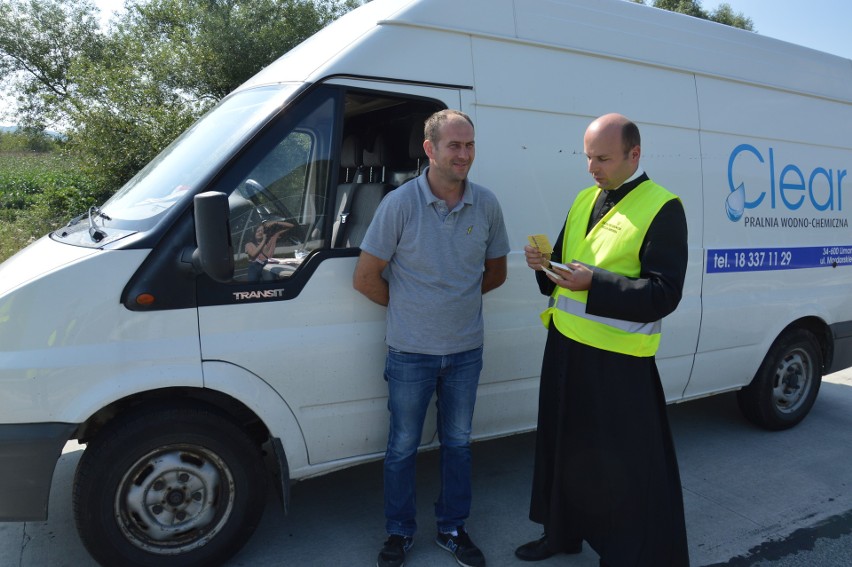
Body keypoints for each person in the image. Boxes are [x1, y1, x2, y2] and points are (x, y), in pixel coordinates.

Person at [515, 113, 690, 566]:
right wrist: (545, 263)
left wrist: (596, 284)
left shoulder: (664, 206)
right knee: (563, 451)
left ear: (635, 154)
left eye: (603, 158)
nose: (593, 168)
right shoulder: (583, 198)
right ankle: (560, 534)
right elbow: (568, 266)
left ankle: (622, 552)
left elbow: (664, 293)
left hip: (618, 363)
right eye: (588, 157)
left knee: (620, 470)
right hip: (566, 346)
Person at [353, 109, 510, 567]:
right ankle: (399, 533)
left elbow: (495, 271)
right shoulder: (399, 204)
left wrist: (451, 304)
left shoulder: (486, 204)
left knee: (458, 445)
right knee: (402, 447)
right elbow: (365, 277)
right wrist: (414, 310)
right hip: (410, 353)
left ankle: (453, 528)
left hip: (465, 351)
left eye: (470, 145)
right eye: (454, 146)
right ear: (429, 149)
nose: (464, 154)